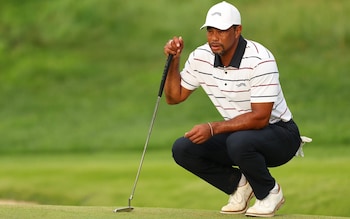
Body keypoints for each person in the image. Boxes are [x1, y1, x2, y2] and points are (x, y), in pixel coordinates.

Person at [163, 1, 302, 217]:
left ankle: (269, 193)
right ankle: (240, 185)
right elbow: (174, 97)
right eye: (210, 30)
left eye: (222, 31)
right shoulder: (201, 57)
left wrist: (212, 127)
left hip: (281, 135)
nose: (214, 37)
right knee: (184, 148)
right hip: (239, 135)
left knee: (238, 141)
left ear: (237, 30)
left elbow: (260, 118)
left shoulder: (259, 58)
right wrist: (175, 60)